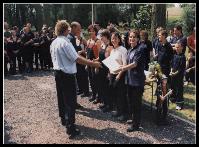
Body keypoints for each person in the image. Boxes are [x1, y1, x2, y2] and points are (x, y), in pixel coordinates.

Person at [50, 20, 101, 139]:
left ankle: (64, 119)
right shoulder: (65, 43)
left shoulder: (54, 42)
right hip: (67, 75)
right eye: (68, 29)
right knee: (70, 101)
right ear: (66, 30)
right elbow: (77, 58)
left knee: (61, 98)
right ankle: (71, 128)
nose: (69, 30)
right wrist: (93, 64)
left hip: (58, 73)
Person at [114, 30, 145, 131]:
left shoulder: (140, 49)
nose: (131, 39)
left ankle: (136, 125)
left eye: (134, 37)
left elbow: (135, 64)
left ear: (138, 39)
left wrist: (121, 68)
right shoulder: (130, 50)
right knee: (131, 102)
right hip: (130, 80)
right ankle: (133, 119)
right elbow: (126, 63)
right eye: (130, 37)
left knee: (136, 103)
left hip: (137, 81)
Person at [108, 32, 128, 122]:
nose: (114, 40)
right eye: (112, 38)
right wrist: (109, 73)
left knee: (121, 95)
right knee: (114, 94)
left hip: (120, 75)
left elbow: (125, 64)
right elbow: (111, 63)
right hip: (112, 74)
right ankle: (118, 111)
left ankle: (124, 113)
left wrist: (119, 75)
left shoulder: (123, 50)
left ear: (119, 39)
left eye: (115, 38)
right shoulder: (112, 50)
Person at [94, 29, 113, 112]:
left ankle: (109, 105)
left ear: (107, 37)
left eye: (102, 36)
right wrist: (95, 62)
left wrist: (109, 72)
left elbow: (111, 60)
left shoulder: (110, 47)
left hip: (106, 70)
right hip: (101, 68)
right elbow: (100, 57)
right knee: (102, 87)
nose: (101, 38)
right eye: (101, 36)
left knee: (107, 88)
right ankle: (104, 103)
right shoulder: (102, 45)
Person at [86, 24, 102, 103]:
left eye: (93, 31)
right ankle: (94, 94)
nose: (91, 32)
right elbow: (87, 53)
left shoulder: (98, 41)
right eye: (90, 31)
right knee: (91, 80)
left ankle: (98, 97)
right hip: (89, 64)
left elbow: (99, 54)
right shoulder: (88, 41)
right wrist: (86, 64)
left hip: (95, 64)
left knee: (96, 81)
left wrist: (97, 66)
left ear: (95, 32)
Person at [170, 41, 186, 110]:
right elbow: (172, 64)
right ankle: (173, 99)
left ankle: (179, 104)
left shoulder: (183, 57)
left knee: (179, 89)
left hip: (179, 76)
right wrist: (171, 71)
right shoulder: (174, 55)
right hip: (173, 75)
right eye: (175, 47)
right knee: (173, 87)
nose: (176, 48)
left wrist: (175, 73)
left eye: (178, 47)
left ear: (182, 47)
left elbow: (181, 68)